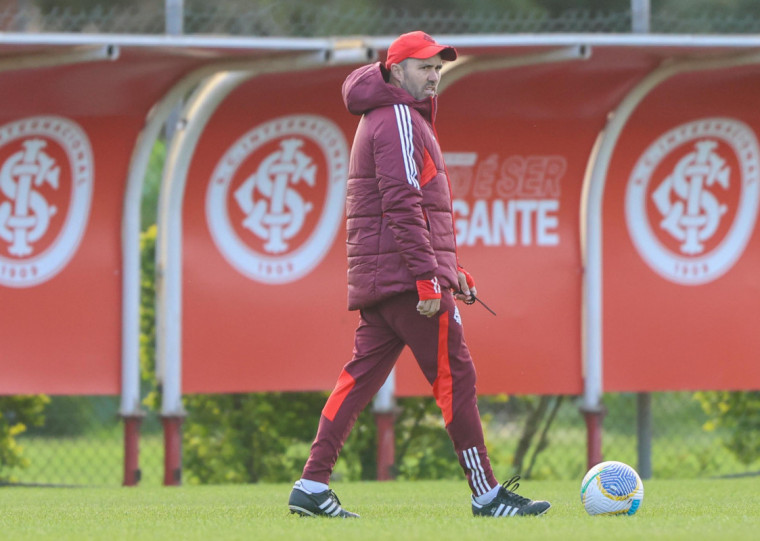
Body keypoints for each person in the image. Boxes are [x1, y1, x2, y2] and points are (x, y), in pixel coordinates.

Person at [288, 30, 551, 519]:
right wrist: (430, 279)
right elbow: (403, 204)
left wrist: (450, 270)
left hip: (388, 279)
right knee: (458, 381)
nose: (434, 77)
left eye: (437, 68)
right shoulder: (397, 119)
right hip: (409, 283)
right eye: (424, 68)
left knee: (356, 381)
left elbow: (412, 209)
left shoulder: (386, 117)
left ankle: (311, 484)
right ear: (394, 71)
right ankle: (487, 495)